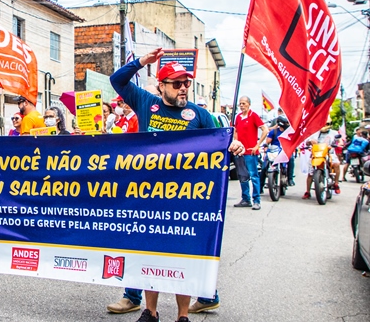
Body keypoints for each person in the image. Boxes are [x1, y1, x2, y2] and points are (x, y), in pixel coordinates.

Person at [108, 49, 245, 322]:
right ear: (161, 86)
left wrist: (234, 144)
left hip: (185, 200)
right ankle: (150, 312)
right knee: (150, 253)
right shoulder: (146, 102)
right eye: (176, 83)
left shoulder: (199, 115)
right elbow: (117, 80)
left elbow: (221, 142)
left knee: (182, 257)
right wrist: (142, 62)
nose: (183, 88)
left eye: (186, 83)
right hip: (149, 196)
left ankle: (182, 316)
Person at [233, 96, 269, 210]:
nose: (241, 105)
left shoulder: (253, 116)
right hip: (240, 152)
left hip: (250, 152)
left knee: (254, 176)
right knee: (242, 176)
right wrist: (236, 143)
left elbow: (265, 130)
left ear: (249, 104)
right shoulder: (238, 117)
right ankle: (246, 199)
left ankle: (256, 200)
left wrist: (257, 145)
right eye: (240, 104)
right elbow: (236, 131)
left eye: (243, 103)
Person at [303, 121, 340, 199]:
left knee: (337, 164)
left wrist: (338, 144)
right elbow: (307, 142)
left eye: (326, 124)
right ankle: (307, 192)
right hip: (316, 155)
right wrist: (309, 142)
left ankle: (336, 184)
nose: (324, 125)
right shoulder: (315, 133)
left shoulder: (334, 133)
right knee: (310, 174)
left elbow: (340, 141)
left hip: (329, 154)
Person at [263, 116, 295, 188]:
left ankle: (290, 179)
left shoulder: (290, 132)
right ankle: (261, 185)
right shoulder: (273, 132)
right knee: (264, 166)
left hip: (285, 151)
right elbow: (267, 142)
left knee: (291, 159)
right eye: (286, 123)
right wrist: (265, 147)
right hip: (274, 152)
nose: (288, 124)